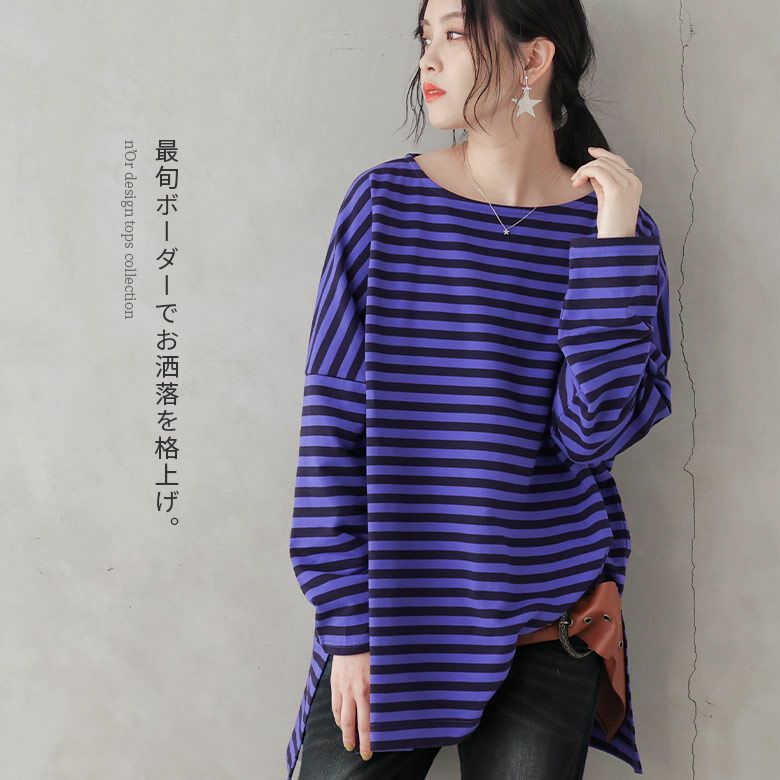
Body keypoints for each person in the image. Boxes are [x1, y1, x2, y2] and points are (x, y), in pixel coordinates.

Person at [285, 0, 672, 777]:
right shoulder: (384, 208)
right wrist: (349, 629)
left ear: (533, 59)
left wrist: (612, 247)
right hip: (395, 618)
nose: (428, 59)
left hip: (549, 625)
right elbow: (332, 428)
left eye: (456, 34)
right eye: (425, 37)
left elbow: (588, 437)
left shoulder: (618, 235)